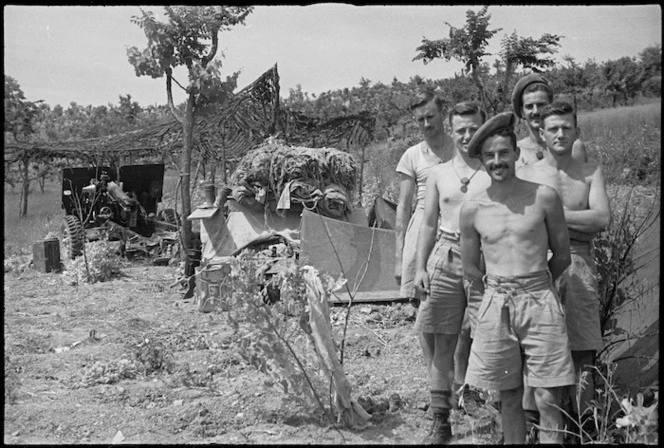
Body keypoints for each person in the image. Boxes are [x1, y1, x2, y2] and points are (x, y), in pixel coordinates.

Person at [459, 111, 576, 444]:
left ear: (516, 153)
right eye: (489, 155)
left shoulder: (544, 197)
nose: (497, 161)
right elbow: (470, 269)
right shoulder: (473, 208)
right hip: (496, 304)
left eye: (503, 153)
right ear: (481, 160)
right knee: (508, 397)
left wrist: (536, 287)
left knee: (548, 397)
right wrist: (493, 299)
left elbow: (563, 256)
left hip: (540, 300)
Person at [517, 100, 611, 440]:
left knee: (582, 349)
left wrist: (552, 217)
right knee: (535, 349)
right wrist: (574, 221)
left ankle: (584, 427)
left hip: (580, 266)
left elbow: (601, 219)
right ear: (541, 134)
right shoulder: (526, 173)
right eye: (553, 128)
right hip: (536, 267)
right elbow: (520, 224)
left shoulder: (589, 172)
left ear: (577, 131)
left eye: (566, 127)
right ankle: (534, 427)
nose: (560, 134)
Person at [412, 101, 490, 443]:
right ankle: (441, 421)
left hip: (486, 260)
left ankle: (501, 417)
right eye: (460, 129)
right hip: (445, 255)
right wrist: (420, 268)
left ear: (484, 128)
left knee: (492, 338)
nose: (467, 135)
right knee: (442, 341)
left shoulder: (495, 169)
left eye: (474, 128)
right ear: (452, 130)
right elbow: (428, 223)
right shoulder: (439, 174)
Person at [395, 89, 454, 301]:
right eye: (421, 120)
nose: (427, 124)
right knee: (421, 296)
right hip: (422, 225)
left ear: (442, 114)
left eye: (430, 117)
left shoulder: (460, 149)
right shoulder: (412, 156)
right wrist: (399, 255)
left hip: (454, 223)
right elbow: (403, 206)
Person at [512, 73, 588, 167]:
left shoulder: (573, 147)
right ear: (522, 112)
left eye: (541, 105)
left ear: (551, 106)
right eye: (529, 106)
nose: (535, 111)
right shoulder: (514, 152)